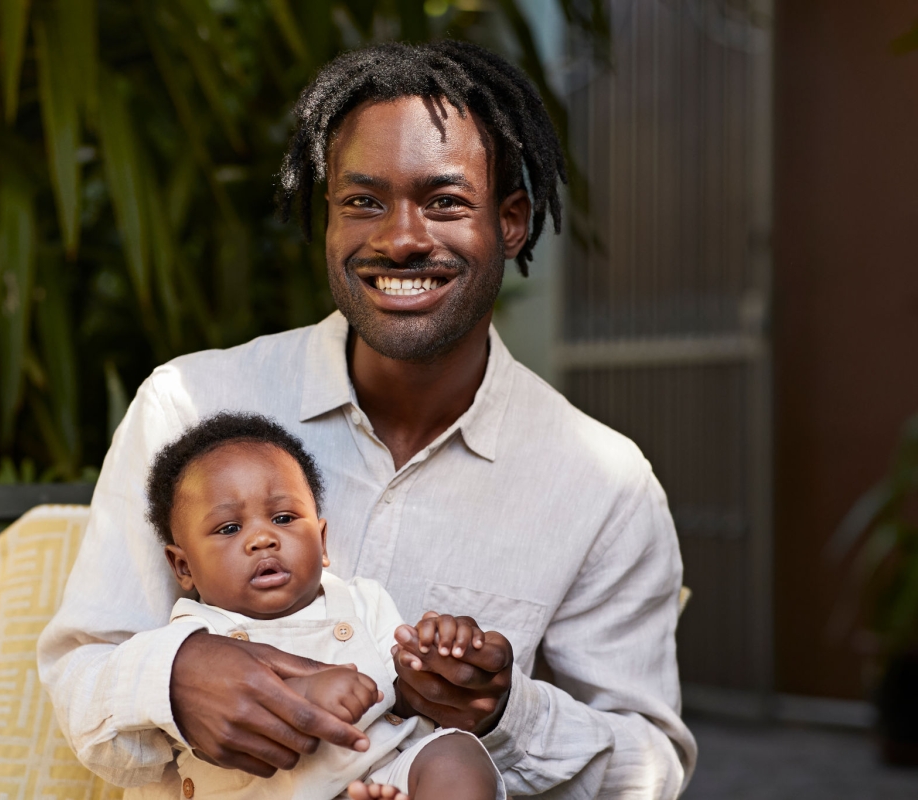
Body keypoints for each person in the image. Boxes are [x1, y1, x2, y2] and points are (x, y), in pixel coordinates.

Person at [38, 39, 697, 798]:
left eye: (444, 202)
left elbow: (650, 764)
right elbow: (81, 672)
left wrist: (502, 715)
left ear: (511, 222)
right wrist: (172, 678)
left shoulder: (604, 485)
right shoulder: (191, 403)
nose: (399, 239)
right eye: (363, 202)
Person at [130, 411, 505, 799]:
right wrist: (302, 697)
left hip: (379, 775)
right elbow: (208, 737)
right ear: (183, 566)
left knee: (456, 755)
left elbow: (404, 703)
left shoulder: (362, 601)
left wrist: (430, 663)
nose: (262, 538)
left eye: (283, 517)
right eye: (230, 528)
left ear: (322, 542)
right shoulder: (194, 634)